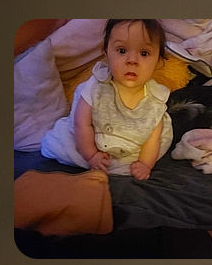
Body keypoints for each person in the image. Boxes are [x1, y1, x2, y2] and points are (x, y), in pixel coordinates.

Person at [41, 20, 173, 179]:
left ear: (158, 61)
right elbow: (81, 123)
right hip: (88, 141)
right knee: (63, 145)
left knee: (159, 140)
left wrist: (145, 164)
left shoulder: (155, 101)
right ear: (106, 54)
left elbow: (152, 139)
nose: (132, 60)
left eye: (144, 53)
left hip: (130, 149)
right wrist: (91, 155)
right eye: (122, 51)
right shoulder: (96, 86)